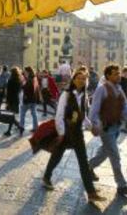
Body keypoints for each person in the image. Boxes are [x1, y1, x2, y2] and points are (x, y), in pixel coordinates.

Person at [43, 70, 105, 203]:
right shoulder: (66, 94)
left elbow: (82, 116)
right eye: (79, 78)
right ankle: (47, 176)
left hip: (77, 133)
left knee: (83, 162)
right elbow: (59, 115)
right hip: (65, 132)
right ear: (74, 79)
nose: (82, 81)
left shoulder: (84, 96)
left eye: (84, 79)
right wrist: (60, 133)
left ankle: (91, 192)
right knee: (57, 156)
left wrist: (90, 127)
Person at [88, 64, 127, 196]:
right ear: (108, 75)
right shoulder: (101, 89)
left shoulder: (119, 89)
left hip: (116, 126)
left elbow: (125, 106)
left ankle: (87, 167)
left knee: (104, 152)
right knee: (115, 155)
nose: (118, 75)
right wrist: (95, 124)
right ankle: (122, 186)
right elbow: (94, 110)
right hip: (106, 128)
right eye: (115, 73)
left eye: (119, 73)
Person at [3, 67, 24, 137]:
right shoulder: (19, 80)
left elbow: (8, 92)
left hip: (11, 100)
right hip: (16, 99)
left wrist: (7, 101)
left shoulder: (10, 80)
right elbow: (20, 90)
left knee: (11, 116)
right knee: (12, 115)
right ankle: (19, 127)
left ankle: (11, 130)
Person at [20, 66, 40, 134]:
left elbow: (27, 88)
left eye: (25, 71)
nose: (24, 73)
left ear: (28, 71)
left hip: (28, 99)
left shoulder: (30, 79)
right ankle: (36, 128)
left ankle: (21, 126)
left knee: (22, 113)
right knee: (34, 114)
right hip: (33, 99)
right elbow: (37, 89)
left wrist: (23, 83)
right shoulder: (35, 78)